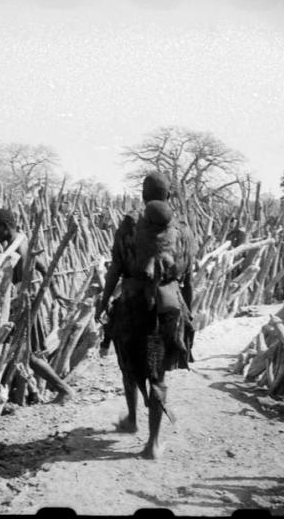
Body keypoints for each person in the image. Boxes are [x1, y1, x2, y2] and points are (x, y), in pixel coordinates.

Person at [95, 172, 195, 459]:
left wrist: (104, 301)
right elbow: (189, 279)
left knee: (128, 364)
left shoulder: (129, 226)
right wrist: (190, 314)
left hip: (131, 305)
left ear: (142, 194)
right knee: (158, 375)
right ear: (169, 196)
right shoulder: (184, 231)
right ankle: (153, 443)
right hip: (168, 310)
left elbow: (115, 267)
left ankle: (131, 419)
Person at [0, 208, 74, 403]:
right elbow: (45, 267)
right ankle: (43, 392)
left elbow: (23, 282)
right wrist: (55, 292)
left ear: (4, 227)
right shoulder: (21, 242)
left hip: (22, 306)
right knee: (26, 354)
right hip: (22, 304)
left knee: (29, 355)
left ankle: (64, 391)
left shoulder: (17, 248)